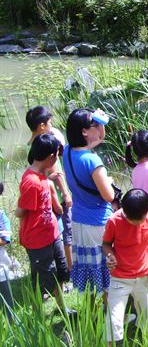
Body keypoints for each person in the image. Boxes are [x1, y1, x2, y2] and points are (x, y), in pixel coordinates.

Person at [63, 108, 116, 300]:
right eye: (96, 125)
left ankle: (92, 311)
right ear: (85, 131)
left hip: (78, 219)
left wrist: (98, 123)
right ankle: (110, 309)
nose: (101, 130)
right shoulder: (93, 161)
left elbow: (95, 140)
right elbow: (109, 196)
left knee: (90, 267)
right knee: (106, 267)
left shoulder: (68, 151)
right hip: (98, 222)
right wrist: (108, 183)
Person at [17, 134, 70, 313]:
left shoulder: (41, 176)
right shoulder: (31, 182)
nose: (57, 158)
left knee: (61, 272)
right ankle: (37, 315)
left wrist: (49, 180)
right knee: (44, 281)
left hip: (52, 234)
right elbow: (20, 212)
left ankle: (63, 309)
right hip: (38, 240)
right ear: (50, 157)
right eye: (56, 154)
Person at [103, 189, 148, 346]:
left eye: (140, 219)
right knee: (113, 320)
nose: (137, 223)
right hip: (120, 278)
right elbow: (106, 244)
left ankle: (145, 339)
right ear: (124, 211)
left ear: (147, 210)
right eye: (131, 219)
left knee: (146, 314)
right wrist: (110, 256)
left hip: (144, 276)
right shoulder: (114, 221)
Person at [26, 106, 73, 271]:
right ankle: (69, 268)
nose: (51, 125)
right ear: (41, 126)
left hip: (45, 198)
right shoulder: (46, 145)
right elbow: (56, 174)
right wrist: (66, 194)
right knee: (67, 233)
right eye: (49, 123)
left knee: (54, 234)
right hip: (57, 197)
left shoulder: (30, 146)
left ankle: (57, 267)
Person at [0, 181, 20, 315]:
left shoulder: (1, 216)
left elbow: (4, 240)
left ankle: (13, 329)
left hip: (1, 271)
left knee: (8, 308)